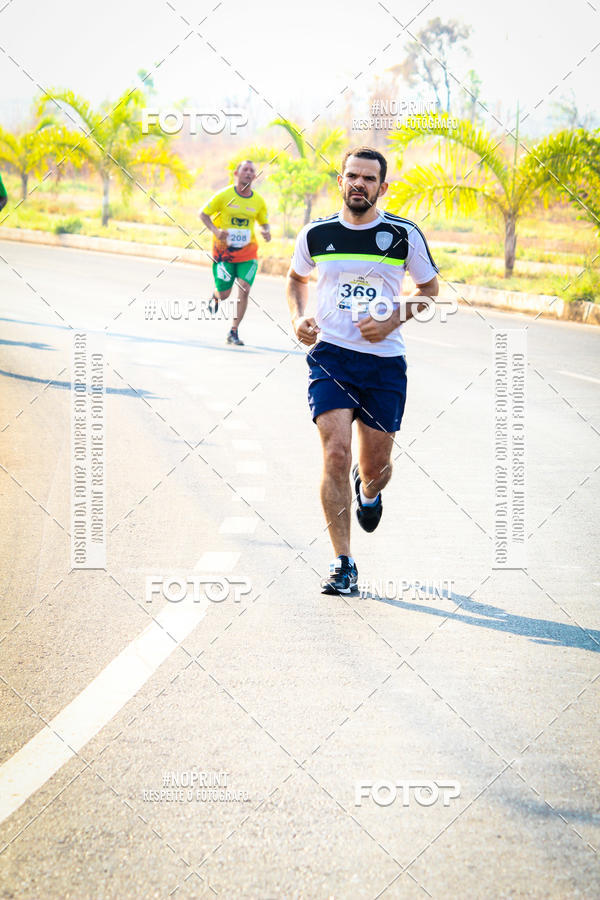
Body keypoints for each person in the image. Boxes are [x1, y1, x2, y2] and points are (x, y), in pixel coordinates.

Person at [286, 146, 439, 595]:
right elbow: (295, 279)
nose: (359, 184)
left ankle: (368, 492)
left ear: (382, 187)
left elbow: (429, 288)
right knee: (335, 453)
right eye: (352, 175)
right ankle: (343, 563)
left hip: (384, 365)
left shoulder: (402, 235)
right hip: (331, 356)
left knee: (376, 467)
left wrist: (392, 318)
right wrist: (298, 317)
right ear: (340, 181)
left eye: (369, 178)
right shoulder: (316, 234)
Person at [200, 160, 271, 346]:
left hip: (248, 253)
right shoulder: (224, 195)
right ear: (236, 174)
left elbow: (264, 222)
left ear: (254, 176)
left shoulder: (258, 201)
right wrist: (216, 231)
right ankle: (216, 296)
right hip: (224, 253)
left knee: (244, 289)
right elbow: (203, 214)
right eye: (244, 170)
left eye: (251, 171)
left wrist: (266, 231)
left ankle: (233, 331)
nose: (248, 173)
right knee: (225, 294)